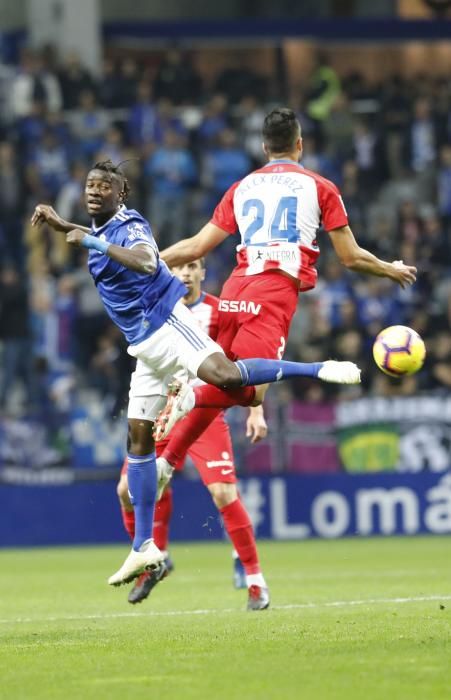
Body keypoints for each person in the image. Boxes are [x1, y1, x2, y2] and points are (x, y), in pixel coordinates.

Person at [31, 158, 361, 599]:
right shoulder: (103, 225)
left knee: (226, 377)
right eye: (89, 184)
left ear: (121, 192)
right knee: (138, 440)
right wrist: (62, 224)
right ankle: (145, 547)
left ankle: (317, 369)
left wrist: (89, 241)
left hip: (165, 320)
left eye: (104, 187)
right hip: (144, 346)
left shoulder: (129, 226)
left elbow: (147, 263)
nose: (94, 191)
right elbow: (95, 235)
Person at [152, 107, 416, 447]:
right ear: (300, 145)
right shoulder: (320, 187)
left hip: (235, 288)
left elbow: (196, 246)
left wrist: (150, 261)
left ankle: (167, 459)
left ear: (264, 148)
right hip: (273, 293)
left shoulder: (242, 186)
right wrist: (388, 268)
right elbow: (350, 257)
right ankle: (187, 399)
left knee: (223, 379)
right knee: (250, 393)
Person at [118, 258, 268, 608]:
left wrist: (256, 409)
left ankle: (255, 580)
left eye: (194, 266)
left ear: (203, 272)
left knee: (222, 492)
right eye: (179, 267)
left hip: (203, 414)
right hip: (163, 413)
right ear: (169, 273)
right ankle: (157, 558)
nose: (186, 273)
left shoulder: (218, 310)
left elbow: (244, 362)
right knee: (127, 491)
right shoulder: (157, 310)